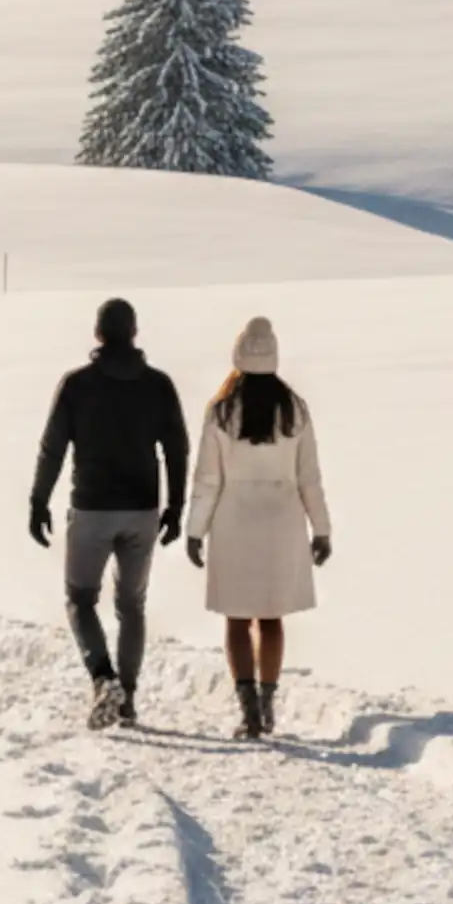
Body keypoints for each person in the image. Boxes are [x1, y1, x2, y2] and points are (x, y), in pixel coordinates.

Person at [29, 297, 189, 730]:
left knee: (80, 600)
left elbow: (53, 448)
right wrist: (176, 505)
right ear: (134, 333)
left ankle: (103, 679)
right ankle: (128, 699)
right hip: (142, 511)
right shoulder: (159, 385)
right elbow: (177, 448)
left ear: (98, 335)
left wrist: (38, 501)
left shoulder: (77, 384)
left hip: (92, 509)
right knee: (132, 606)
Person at [185, 316, 332, 740]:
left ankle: (248, 709)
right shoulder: (295, 408)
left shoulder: (222, 409)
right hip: (283, 520)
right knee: (271, 618)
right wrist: (321, 528)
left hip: (233, 521)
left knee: (236, 618)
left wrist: (196, 529)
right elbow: (310, 477)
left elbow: (208, 479)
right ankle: (268, 703)